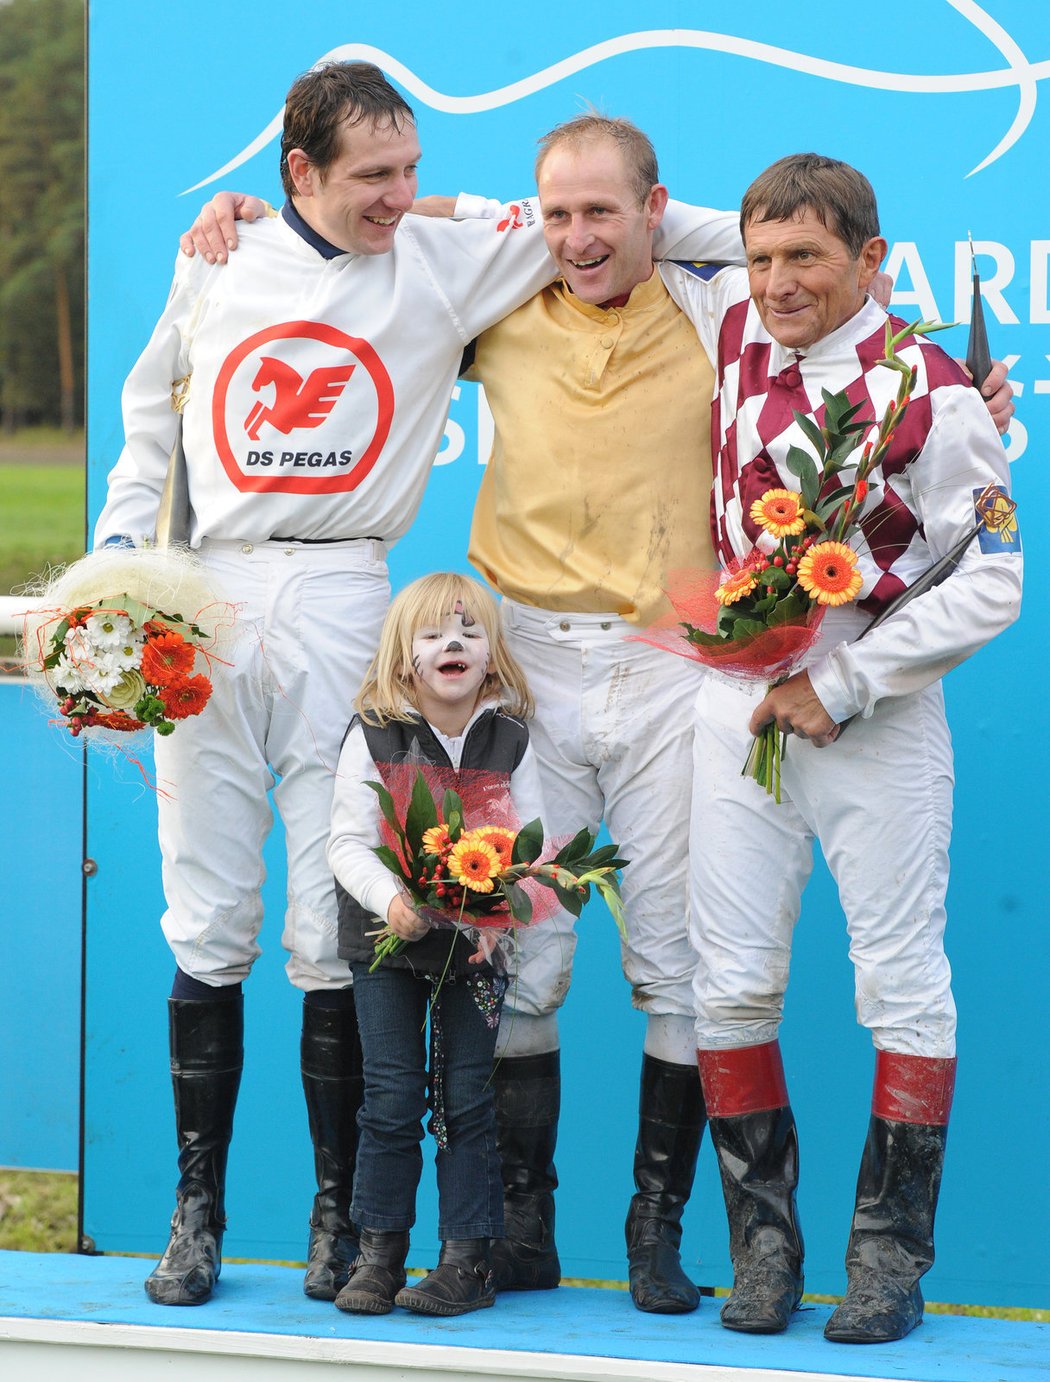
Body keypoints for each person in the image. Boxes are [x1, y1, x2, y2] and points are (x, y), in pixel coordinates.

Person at [191, 117, 1012, 1317]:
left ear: (656, 213)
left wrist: (950, 394)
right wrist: (267, 218)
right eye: (555, 215)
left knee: (713, 965)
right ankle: (530, 1232)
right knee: (541, 945)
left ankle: (707, 1238)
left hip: (700, 676)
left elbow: (786, 280)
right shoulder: (575, 298)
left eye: (606, 215)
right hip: (551, 669)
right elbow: (437, 237)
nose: (578, 237)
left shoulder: (729, 310)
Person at [95, 58, 582, 1309]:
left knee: (331, 916)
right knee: (206, 906)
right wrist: (115, 567)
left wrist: (438, 209)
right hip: (206, 590)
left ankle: (334, 1218)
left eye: (413, 169)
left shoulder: (443, 254)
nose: (399, 193)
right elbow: (153, 413)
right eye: (375, 175)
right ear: (296, 172)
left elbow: (627, 224)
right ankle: (195, 1212)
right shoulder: (216, 255)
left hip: (348, 591)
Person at [669, 153, 1022, 1343]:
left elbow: (995, 582)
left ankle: (888, 1262)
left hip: (869, 716)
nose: (776, 281)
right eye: (761, 258)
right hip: (735, 709)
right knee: (728, 977)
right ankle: (762, 1249)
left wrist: (846, 678)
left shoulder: (938, 388)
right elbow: (606, 210)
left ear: (872, 260)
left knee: (902, 979)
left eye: (807, 257)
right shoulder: (732, 327)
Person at [327, 572, 545, 1317]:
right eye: (432, 634)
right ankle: (378, 1255)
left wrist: (500, 918)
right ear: (403, 656)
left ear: (491, 656)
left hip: (476, 951)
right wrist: (393, 900)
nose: (452, 643)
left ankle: (466, 1262)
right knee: (389, 1099)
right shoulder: (374, 731)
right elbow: (346, 843)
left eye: (469, 632)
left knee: (465, 1103)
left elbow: (534, 849)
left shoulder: (510, 737)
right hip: (387, 943)